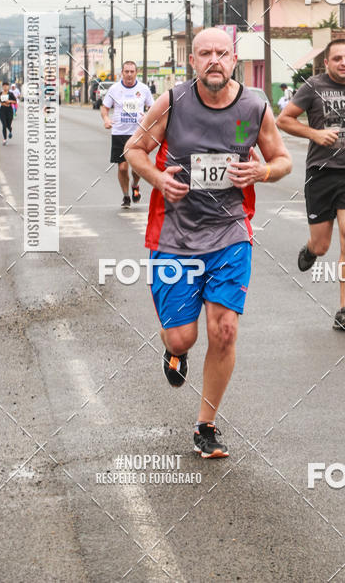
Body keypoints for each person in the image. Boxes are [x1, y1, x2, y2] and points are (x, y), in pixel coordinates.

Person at [126, 28, 292, 459]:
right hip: (175, 237)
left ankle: (206, 425)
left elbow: (282, 159)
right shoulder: (173, 102)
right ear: (193, 61)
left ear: (234, 59)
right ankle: (172, 351)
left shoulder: (254, 105)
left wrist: (262, 173)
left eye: (222, 53)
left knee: (225, 330)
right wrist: (159, 178)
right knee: (183, 338)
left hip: (230, 232)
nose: (214, 60)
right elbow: (134, 149)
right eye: (205, 54)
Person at [277, 39, 345, 332]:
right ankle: (311, 250)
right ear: (326, 62)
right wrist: (314, 134)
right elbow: (284, 120)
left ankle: (344, 310)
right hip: (320, 173)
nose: (343, 62)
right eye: (337, 58)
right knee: (323, 244)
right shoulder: (312, 87)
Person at [101, 61, 154, 208]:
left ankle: (135, 186)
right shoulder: (114, 89)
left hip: (138, 133)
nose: (129, 74)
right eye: (126, 71)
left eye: (132, 71)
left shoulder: (143, 89)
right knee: (123, 168)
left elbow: (153, 107)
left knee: (137, 168)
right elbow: (104, 108)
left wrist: (147, 116)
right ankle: (126, 196)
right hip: (119, 133)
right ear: (122, 73)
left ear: (136, 72)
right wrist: (106, 119)